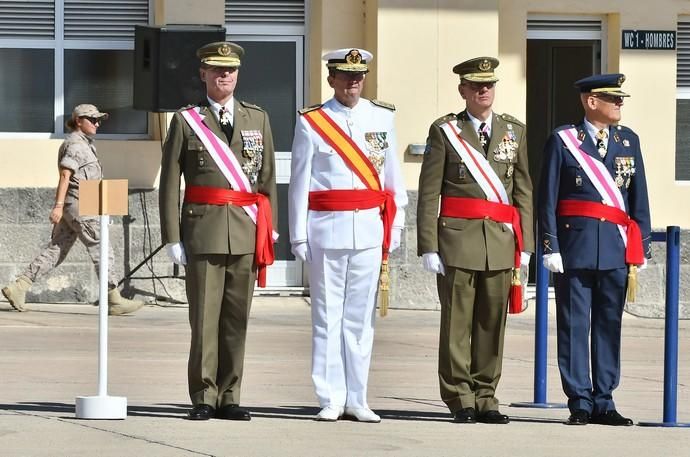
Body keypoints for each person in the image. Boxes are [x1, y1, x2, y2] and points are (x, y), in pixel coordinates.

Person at [159, 41, 277, 421]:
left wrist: (269, 227)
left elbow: (267, 178)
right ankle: (204, 396)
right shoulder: (186, 120)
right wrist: (172, 237)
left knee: (236, 318)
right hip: (203, 230)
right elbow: (169, 183)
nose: (224, 76)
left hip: (244, 230)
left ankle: (230, 395)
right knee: (205, 319)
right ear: (203, 74)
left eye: (230, 70)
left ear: (238, 74)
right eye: (216, 69)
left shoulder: (257, 118)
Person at [288, 48, 407, 423]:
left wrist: (398, 223)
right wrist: (298, 236)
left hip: (369, 231)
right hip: (327, 230)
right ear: (331, 79)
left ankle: (357, 397)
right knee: (326, 318)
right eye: (345, 75)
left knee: (360, 320)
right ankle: (330, 397)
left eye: (359, 75)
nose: (353, 82)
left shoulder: (382, 117)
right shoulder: (313, 121)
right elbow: (299, 183)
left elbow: (392, 177)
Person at [416, 57, 534, 424]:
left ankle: (486, 395)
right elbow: (428, 191)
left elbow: (523, 190)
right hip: (457, 241)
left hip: (500, 241)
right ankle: (459, 396)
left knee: (491, 322)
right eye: (476, 85)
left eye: (490, 85)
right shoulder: (445, 131)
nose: (484, 90)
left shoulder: (514, 131)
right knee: (457, 325)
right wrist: (428, 245)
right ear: (463, 90)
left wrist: (526, 244)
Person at [538, 73, 651, 426]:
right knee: (573, 325)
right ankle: (580, 401)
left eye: (620, 99)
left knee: (608, 325)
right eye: (612, 98)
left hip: (616, 249)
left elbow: (639, 199)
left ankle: (604, 399)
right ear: (591, 102)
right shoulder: (564, 140)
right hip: (575, 247)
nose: (619, 104)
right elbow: (548, 199)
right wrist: (550, 246)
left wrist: (641, 246)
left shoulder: (628, 141)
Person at [1, 104, 144, 316]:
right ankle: (114, 298)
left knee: (57, 249)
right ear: (78, 120)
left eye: (98, 120)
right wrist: (58, 207)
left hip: (82, 203)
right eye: (92, 119)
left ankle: (19, 286)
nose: (97, 124)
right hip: (81, 204)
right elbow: (65, 176)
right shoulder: (76, 145)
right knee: (102, 246)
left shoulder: (85, 144)